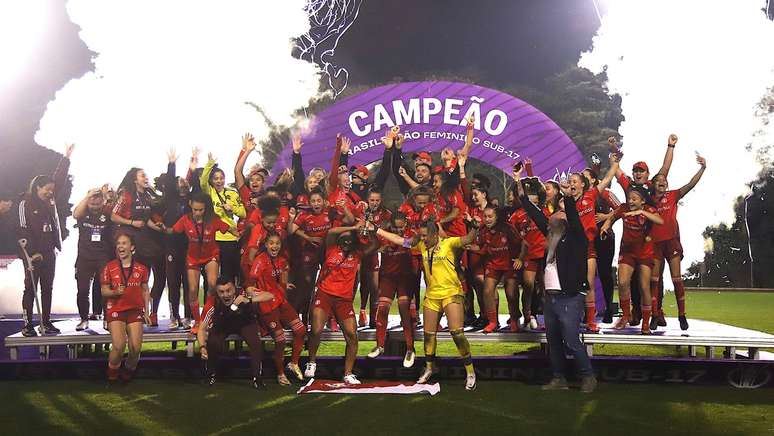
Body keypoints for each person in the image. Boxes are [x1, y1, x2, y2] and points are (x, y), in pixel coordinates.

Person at [515, 168, 598, 393]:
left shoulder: (577, 237)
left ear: (566, 221)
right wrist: (520, 189)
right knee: (553, 341)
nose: (553, 216)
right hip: (551, 297)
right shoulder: (552, 235)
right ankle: (559, 378)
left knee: (571, 340)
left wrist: (568, 198)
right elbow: (535, 214)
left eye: (559, 214)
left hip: (569, 296)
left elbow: (573, 216)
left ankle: (588, 377)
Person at [374, 219, 479, 391]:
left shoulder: (449, 243)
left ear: (435, 234)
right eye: (421, 235)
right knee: (429, 335)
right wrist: (377, 230)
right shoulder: (421, 246)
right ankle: (430, 368)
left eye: (425, 236)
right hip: (432, 296)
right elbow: (399, 240)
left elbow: (468, 239)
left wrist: (475, 227)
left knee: (457, 333)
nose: (422, 239)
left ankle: (470, 372)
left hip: (451, 293)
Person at [303, 224, 378, 384]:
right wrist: (354, 226)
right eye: (343, 239)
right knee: (316, 330)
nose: (346, 242)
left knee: (352, 335)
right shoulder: (331, 248)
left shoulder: (357, 253)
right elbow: (331, 232)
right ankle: (311, 362)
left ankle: (348, 373)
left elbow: (375, 245)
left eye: (349, 239)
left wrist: (370, 230)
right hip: (324, 294)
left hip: (344, 299)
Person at [16, 144, 73, 336]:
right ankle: (27, 325)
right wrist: (32, 253)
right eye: (47, 189)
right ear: (37, 187)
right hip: (32, 254)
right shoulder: (25, 202)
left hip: (49, 252)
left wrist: (66, 157)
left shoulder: (50, 200)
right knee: (30, 288)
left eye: (52, 190)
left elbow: (59, 179)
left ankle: (45, 322)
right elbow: (22, 230)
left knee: (47, 288)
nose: (50, 192)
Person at [650, 154, 706, 330]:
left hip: (672, 242)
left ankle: (682, 315)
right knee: (654, 280)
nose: (662, 181)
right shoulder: (648, 200)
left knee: (677, 279)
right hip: (655, 244)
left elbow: (690, 184)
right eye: (658, 180)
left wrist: (702, 168)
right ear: (653, 184)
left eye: (664, 180)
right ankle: (654, 314)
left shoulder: (673, 195)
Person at [167, 192, 235, 333]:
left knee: (212, 284)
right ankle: (197, 321)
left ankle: (206, 318)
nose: (198, 213)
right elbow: (172, 230)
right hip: (193, 258)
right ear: (190, 205)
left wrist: (241, 232)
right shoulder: (185, 219)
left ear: (206, 208)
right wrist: (160, 227)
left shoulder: (213, 219)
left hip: (211, 256)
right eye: (195, 210)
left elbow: (229, 229)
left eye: (201, 210)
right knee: (192, 289)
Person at [567, 153, 620, 332]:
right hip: (573, 249)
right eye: (570, 181)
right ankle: (574, 317)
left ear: (583, 184)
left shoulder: (591, 195)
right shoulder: (566, 202)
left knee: (588, 283)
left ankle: (591, 321)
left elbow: (607, 179)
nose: (572, 184)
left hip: (589, 246)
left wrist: (615, 164)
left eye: (575, 181)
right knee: (574, 284)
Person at [600, 186, 664, 334]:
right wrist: (605, 226)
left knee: (644, 287)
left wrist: (642, 212)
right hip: (627, 252)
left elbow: (660, 221)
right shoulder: (624, 208)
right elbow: (612, 217)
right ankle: (625, 316)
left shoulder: (648, 210)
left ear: (642, 201)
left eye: (634, 199)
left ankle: (646, 323)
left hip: (644, 253)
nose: (630, 201)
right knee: (622, 282)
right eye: (629, 198)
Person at [247, 231, 306, 385]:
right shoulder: (260, 261)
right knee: (280, 340)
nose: (275, 246)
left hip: (280, 301)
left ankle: (293, 363)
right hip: (266, 305)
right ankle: (280, 374)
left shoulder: (282, 260)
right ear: (266, 245)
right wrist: (252, 293)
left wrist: (285, 285)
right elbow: (250, 283)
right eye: (271, 243)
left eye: (277, 243)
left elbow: (282, 281)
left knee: (301, 330)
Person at [111, 167, 166, 326]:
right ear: (135, 180)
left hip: (147, 240)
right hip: (132, 240)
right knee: (135, 279)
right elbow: (113, 216)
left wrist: (160, 228)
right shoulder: (126, 195)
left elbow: (146, 220)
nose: (146, 178)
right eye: (142, 176)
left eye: (146, 175)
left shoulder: (147, 196)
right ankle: (131, 313)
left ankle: (151, 312)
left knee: (157, 276)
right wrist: (131, 222)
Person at [198, 277, 273, 389]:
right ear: (217, 292)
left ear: (234, 288)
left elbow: (270, 295)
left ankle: (257, 378)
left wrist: (248, 300)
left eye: (228, 290)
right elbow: (201, 329)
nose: (225, 295)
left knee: (255, 342)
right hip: (223, 325)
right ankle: (210, 375)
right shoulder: (212, 302)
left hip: (245, 323)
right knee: (213, 342)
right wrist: (202, 347)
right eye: (221, 292)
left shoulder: (244, 293)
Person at [101, 232, 151, 383]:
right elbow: (104, 291)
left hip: (135, 310)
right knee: (119, 346)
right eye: (118, 244)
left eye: (124, 243)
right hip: (116, 310)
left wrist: (147, 311)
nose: (120, 246)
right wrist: (115, 292)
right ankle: (112, 376)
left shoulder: (142, 269)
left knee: (135, 348)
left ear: (132, 247)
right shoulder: (109, 267)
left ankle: (128, 373)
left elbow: (145, 290)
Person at [368, 212, 416, 367]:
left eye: (401, 227)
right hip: (388, 278)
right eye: (395, 227)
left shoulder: (412, 235)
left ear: (406, 224)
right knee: (382, 310)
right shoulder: (384, 236)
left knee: (404, 311)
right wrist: (376, 245)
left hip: (404, 278)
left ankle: (410, 349)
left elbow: (406, 243)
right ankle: (380, 345)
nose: (398, 230)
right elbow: (372, 247)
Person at [471, 205, 523, 333]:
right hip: (493, 264)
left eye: (490, 216)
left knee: (511, 293)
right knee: (487, 290)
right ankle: (493, 322)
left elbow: (524, 244)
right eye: (485, 216)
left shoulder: (507, 228)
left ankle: (514, 320)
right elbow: (481, 247)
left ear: (497, 217)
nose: (487, 219)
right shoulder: (483, 230)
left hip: (509, 264)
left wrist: (520, 259)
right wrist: (469, 247)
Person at [200, 152, 246, 283]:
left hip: (230, 238)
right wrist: (210, 164)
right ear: (212, 181)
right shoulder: (210, 192)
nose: (219, 181)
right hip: (213, 238)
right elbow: (203, 182)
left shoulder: (232, 193)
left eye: (221, 178)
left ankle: (228, 296)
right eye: (216, 178)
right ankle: (210, 297)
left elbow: (243, 213)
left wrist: (232, 209)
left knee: (228, 274)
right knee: (210, 276)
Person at [159, 148, 192, 329]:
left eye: (185, 181)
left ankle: (188, 316)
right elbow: (170, 182)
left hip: (188, 247)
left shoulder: (192, 200)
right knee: (173, 282)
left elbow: (195, 182)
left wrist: (193, 165)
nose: (182, 183)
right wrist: (172, 164)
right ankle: (174, 316)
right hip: (171, 246)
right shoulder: (170, 198)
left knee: (188, 283)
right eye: (179, 181)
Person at [73, 187, 113, 331]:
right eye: (92, 204)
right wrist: (88, 196)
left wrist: (107, 196)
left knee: (106, 289)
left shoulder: (108, 213)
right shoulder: (83, 213)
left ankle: (107, 319)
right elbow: (75, 214)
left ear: (103, 202)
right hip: (84, 258)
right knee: (82, 290)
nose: (94, 207)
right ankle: (84, 319)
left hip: (103, 256)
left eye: (97, 204)